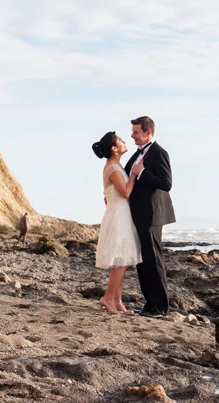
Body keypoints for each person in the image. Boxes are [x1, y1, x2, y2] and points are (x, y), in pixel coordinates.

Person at [123, 116, 175, 318]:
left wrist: (142, 171)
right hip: (138, 214)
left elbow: (166, 183)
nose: (132, 135)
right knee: (143, 261)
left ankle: (161, 307)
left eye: (136, 132)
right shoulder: (137, 154)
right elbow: (128, 178)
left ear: (148, 133)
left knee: (153, 260)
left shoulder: (159, 153)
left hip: (153, 215)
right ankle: (149, 304)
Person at [92, 131, 141, 314]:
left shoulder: (115, 165)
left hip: (121, 212)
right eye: (120, 140)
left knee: (123, 259)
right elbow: (125, 193)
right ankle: (108, 297)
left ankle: (117, 300)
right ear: (114, 148)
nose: (124, 141)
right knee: (120, 260)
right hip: (119, 214)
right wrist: (135, 174)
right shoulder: (112, 167)